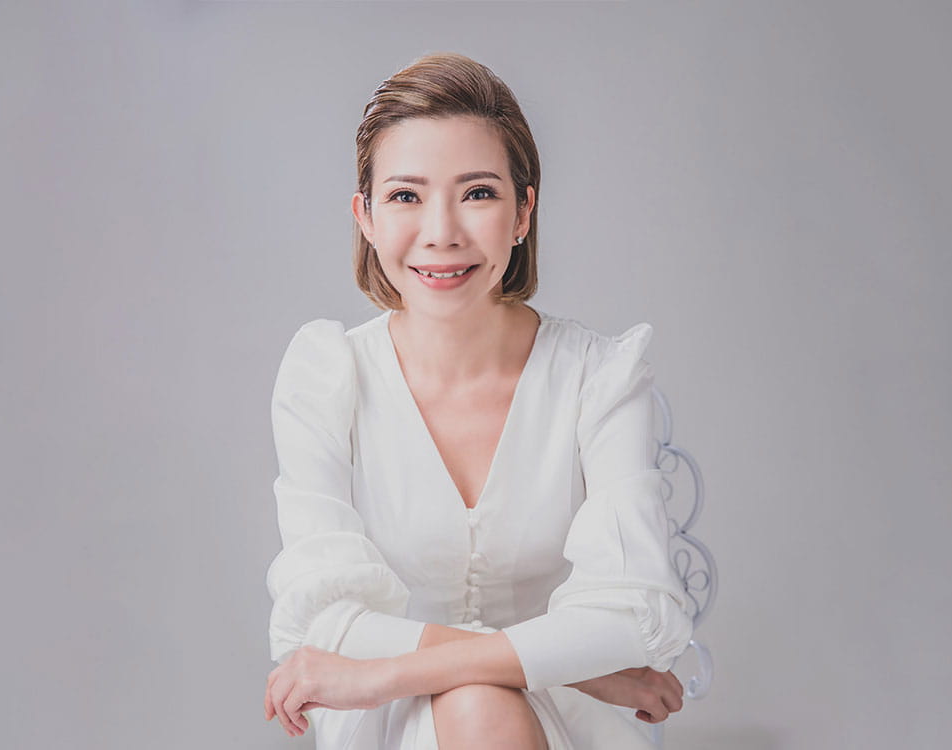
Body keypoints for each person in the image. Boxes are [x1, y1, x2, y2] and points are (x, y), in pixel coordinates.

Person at [263, 52, 694, 749]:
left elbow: (633, 614)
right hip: (392, 721)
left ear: (523, 210)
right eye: (406, 196)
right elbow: (324, 619)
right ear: (365, 216)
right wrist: (583, 668)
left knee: (479, 706)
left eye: (478, 193)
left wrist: (381, 674)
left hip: (539, 714)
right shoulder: (326, 375)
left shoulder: (600, 377)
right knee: (477, 703)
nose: (442, 232)